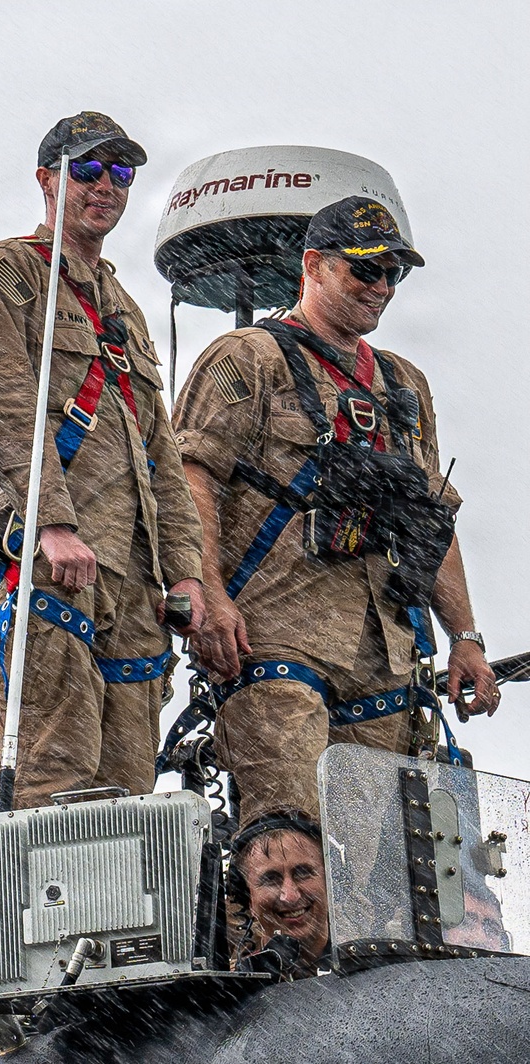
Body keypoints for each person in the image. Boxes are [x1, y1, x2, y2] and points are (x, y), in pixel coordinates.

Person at [172, 195, 499, 825]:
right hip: (274, 638)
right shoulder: (246, 358)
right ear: (315, 265)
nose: (381, 287)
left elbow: (432, 519)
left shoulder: (404, 385)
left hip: (384, 655)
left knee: (378, 874)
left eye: (392, 274)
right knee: (290, 843)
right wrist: (208, 595)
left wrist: (465, 639)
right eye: (365, 269)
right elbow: (191, 477)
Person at [0, 111, 205, 811]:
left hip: (133, 584)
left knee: (128, 797)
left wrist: (185, 570)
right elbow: (0, 407)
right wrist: (50, 523)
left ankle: (121, 925)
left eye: (121, 172)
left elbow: (162, 453)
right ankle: (30, 920)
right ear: (47, 180)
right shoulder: (8, 272)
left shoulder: (123, 306)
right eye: (87, 170)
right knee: (47, 780)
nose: (106, 186)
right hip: (52, 566)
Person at [228, 812, 330, 974]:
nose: (290, 896)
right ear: (249, 899)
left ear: (330, 882)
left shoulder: (370, 967)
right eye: (270, 879)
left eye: (303, 872)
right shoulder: (234, 988)